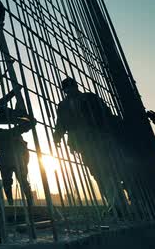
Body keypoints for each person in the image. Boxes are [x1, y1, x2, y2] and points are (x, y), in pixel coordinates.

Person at [53, 78, 124, 213]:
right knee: (97, 173)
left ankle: (118, 204)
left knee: (108, 171)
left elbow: (106, 114)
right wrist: (57, 137)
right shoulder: (63, 105)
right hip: (81, 143)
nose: (68, 90)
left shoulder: (90, 98)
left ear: (75, 86)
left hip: (99, 139)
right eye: (66, 88)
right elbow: (61, 123)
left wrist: (108, 131)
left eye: (70, 87)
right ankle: (113, 203)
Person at [0, 130, 33, 206]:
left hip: (6, 162)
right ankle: (30, 203)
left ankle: (11, 203)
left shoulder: (4, 140)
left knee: (8, 183)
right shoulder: (20, 142)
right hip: (15, 162)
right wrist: (25, 166)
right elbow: (26, 155)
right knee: (23, 182)